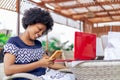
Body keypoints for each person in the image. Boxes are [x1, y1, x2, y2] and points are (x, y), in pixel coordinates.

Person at [3, 7, 75, 80]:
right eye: (39, 29)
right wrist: (38, 64)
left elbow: (48, 64)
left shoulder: (38, 44)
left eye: (43, 32)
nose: (40, 34)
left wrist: (68, 68)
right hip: (29, 78)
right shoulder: (14, 42)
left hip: (46, 75)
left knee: (72, 77)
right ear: (30, 23)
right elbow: (8, 70)